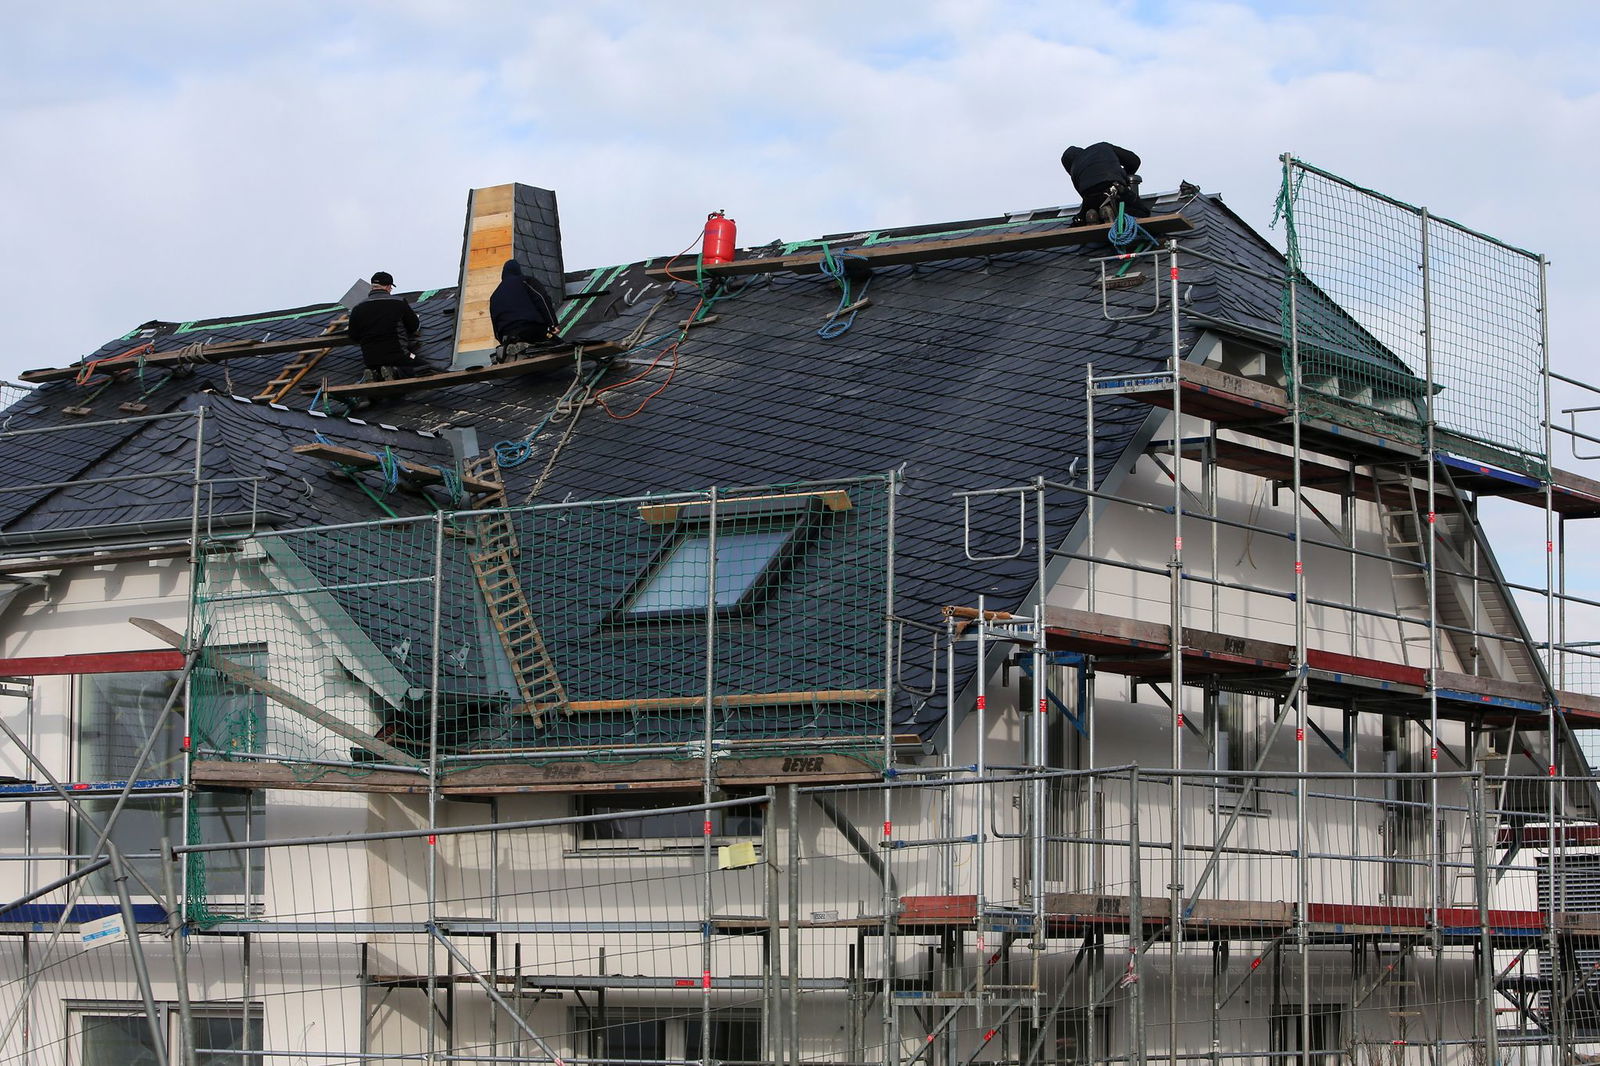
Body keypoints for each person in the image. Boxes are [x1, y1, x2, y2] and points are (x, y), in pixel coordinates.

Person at [347, 271, 429, 382]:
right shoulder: (399, 302)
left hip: (370, 359)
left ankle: (374, 374)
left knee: (379, 368)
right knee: (424, 366)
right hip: (398, 356)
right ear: (388, 287)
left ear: (372, 287)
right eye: (391, 288)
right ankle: (395, 372)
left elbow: (353, 335)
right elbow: (414, 326)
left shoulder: (357, 308)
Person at [488, 259, 561, 362]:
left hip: (508, 337)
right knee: (560, 346)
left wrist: (503, 342)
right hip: (531, 329)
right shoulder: (525, 281)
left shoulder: (494, 296)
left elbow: (495, 324)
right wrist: (553, 324)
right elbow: (542, 299)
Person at [1061, 143, 1151, 226]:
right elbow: (1134, 161)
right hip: (1114, 188)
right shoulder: (1103, 146)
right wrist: (1124, 178)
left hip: (1090, 199)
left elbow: (1083, 194)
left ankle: (1093, 215)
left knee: (1083, 216)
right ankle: (1107, 212)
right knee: (1142, 212)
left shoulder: (1074, 168)